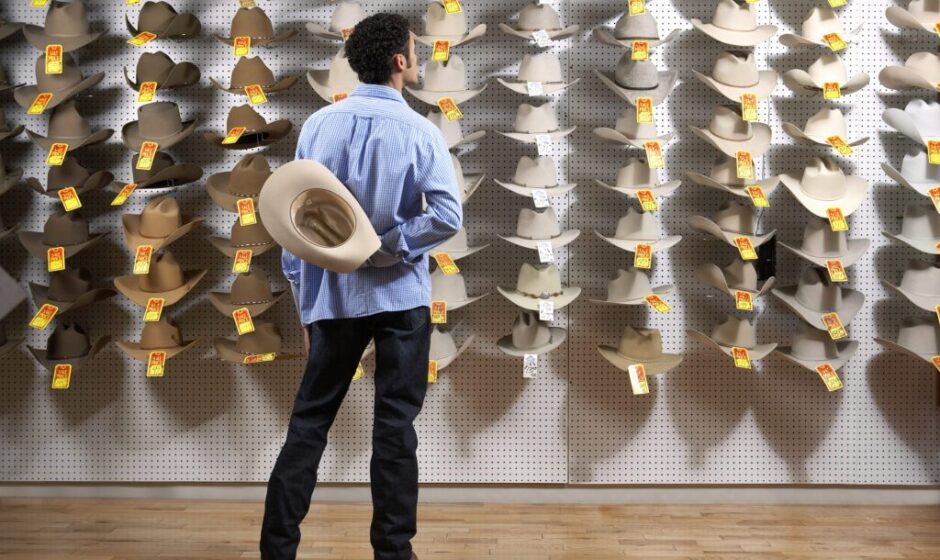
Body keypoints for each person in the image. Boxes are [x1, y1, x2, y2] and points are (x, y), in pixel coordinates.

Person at [259, 13, 463, 560]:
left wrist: (306, 305)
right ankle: (394, 554)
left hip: (333, 298)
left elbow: (295, 222)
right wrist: (388, 246)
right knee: (395, 430)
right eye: (416, 50)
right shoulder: (421, 130)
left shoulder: (319, 126)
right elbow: (448, 216)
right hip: (402, 301)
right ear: (400, 61)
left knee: (309, 424)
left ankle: (276, 552)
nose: (419, 59)